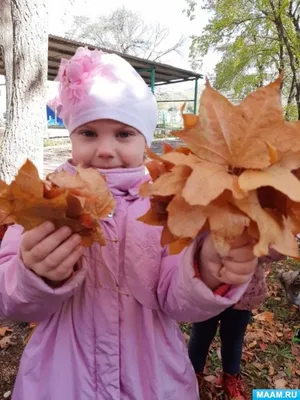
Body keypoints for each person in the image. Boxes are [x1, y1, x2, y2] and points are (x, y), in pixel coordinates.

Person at [0, 47, 258, 400]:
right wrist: (32, 274)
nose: (105, 149)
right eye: (89, 133)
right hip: (59, 379)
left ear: (145, 139)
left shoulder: (167, 203)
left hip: (152, 378)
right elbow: (9, 300)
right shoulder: (43, 201)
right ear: (71, 135)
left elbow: (179, 303)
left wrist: (207, 270)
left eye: (123, 134)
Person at [188, 251, 284, 400]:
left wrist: (253, 242)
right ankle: (192, 374)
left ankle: (230, 377)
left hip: (243, 294)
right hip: (209, 287)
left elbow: (277, 251)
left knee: (233, 339)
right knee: (201, 335)